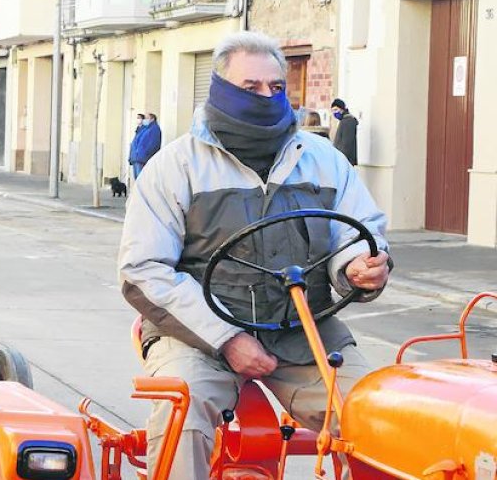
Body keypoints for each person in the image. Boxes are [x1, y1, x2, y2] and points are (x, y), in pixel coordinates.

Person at [118, 32, 391, 479]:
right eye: (252, 88)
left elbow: (361, 233)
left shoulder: (323, 159)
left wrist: (357, 268)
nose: (267, 97)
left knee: (380, 418)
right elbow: (142, 270)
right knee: (181, 420)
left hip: (303, 329)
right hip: (199, 336)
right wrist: (226, 339)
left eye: (276, 88)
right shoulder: (176, 166)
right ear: (222, 91)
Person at [128, 113, 162, 178]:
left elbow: (152, 145)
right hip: (137, 158)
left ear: (152, 119)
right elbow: (136, 143)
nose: (144, 120)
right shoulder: (144, 129)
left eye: (146, 118)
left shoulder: (154, 129)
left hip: (143, 159)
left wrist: (145, 154)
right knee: (138, 181)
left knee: (142, 180)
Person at [331, 98, 358, 165]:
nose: (334, 113)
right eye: (333, 111)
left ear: (342, 109)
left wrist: (340, 159)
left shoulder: (347, 121)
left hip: (344, 160)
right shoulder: (345, 120)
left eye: (336, 110)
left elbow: (346, 143)